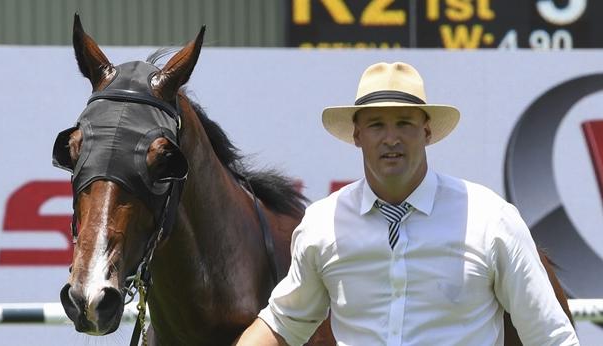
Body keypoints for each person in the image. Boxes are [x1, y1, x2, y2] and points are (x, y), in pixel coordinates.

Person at [235, 62, 579, 345]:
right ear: (357, 135)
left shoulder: (491, 220)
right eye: (376, 125)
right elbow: (282, 324)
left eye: (404, 123)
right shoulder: (323, 224)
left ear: (426, 132)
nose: (391, 138)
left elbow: (549, 337)